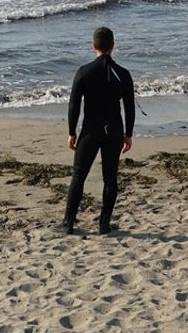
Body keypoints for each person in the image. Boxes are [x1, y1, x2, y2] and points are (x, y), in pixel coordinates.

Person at [59, 26, 135, 235]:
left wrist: (72, 131)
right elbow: (129, 107)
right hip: (114, 130)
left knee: (79, 175)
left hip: (91, 129)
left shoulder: (84, 71)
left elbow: (74, 105)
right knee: (110, 177)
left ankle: (68, 223)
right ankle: (104, 223)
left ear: (94, 46)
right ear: (113, 46)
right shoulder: (123, 74)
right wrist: (128, 134)